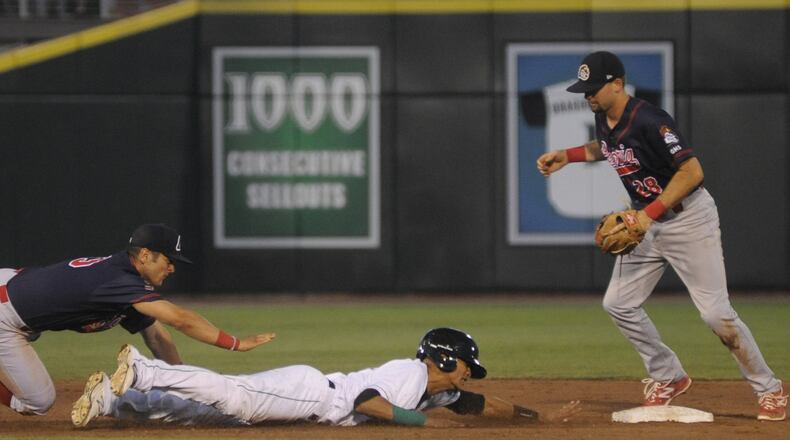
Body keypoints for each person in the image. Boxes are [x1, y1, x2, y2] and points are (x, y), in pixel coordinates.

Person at [536, 51, 787, 421]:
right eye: (584, 90)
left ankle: (770, 389)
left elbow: (692, 172)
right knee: (618, 303)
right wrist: (568, 155)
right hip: (645, 222)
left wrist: (648, 215)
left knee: (717, 315)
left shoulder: (651, 120)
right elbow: (608, 149)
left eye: (593, 89)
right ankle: (668, 375)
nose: (587, 96)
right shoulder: (602, 116)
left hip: (688, 221)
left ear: (617, 84)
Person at [0, 223, 275, 416]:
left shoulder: (127, 284)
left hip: (13, 285)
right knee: (38, 402)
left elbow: (158, 337)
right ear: (144, 255)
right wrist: (235, 343)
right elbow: (180, 319)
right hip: (6, 315)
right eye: (168, 259)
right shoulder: (120, 281)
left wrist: (186, 386)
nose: (172, 267)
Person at [71, 327, 581, 428]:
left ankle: (115, 403)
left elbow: (482, 405)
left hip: (310, 402)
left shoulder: (440, 394)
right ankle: (143, 367)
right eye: (467, 366)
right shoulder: (408, 374)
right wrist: (419, 425)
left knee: (202, 415)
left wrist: (541, 417)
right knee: (236, 397)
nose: (469, 375)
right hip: (313, 392)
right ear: (444, 361)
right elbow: (365, 401)